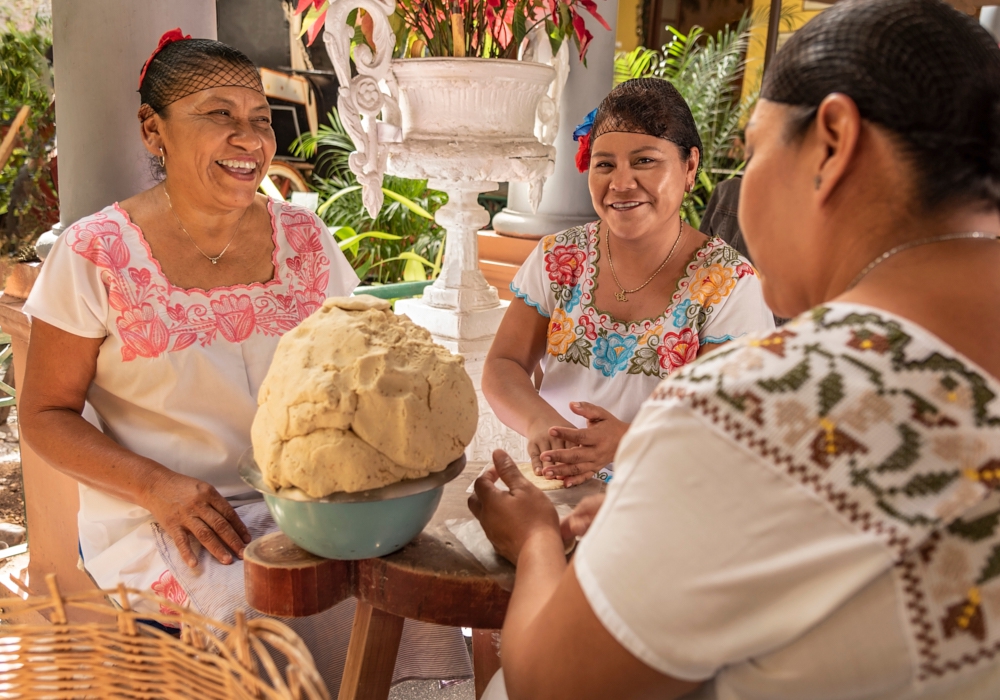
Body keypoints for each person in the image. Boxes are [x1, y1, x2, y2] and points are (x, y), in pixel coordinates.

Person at [469, 0, 1000, 698]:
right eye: (604, 164)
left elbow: (551, 686)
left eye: (751, 151)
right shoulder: (563, 260)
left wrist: (536, 539)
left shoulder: (749, 406)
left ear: (833, 142)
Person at [18, 31, 471, 690]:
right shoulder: (96, 253)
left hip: (308, 501)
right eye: (219, 115)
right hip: (158, 518)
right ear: (153, 130)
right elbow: (44, 414)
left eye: (260, 120)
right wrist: (155, 486)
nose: (250, 138)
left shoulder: (304, 240)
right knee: (254, 612)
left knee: (412, 596)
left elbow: (352, 360)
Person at [483, 79, 774, 487]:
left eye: (644, 162)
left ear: (690, 167)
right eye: (605, 164)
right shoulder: (559, 258)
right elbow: (504, 364)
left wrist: (630, 441)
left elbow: (730, 429)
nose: (620, 183)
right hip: (556, 493)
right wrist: (542, 424)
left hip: (665, 508)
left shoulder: (728, 286)